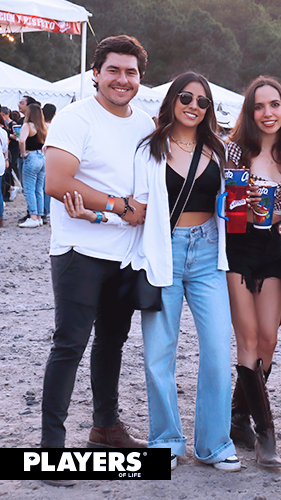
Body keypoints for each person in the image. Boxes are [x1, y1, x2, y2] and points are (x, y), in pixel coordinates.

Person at [41, 35, 153, 464]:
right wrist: (119, 206)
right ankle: (51, 449)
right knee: (69, 344)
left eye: (131, 72)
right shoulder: (75, 118)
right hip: (79, 251)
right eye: (114, 70)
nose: (122, 80)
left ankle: (105, 427)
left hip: (126, 254)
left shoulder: (145, 124)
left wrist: (118, 213)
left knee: (112, 342)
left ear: (140, 78)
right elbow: (57, 182)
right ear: (96, 73)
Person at [127, 72, 239, 472]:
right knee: (159, 353)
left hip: (208, 253)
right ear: (173, 99)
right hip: (165, 252)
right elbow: (139, 206)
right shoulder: (150, 148)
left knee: (217, 350)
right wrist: (97, 211)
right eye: (187, 98)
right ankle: (166, 441)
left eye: (202, 101)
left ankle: (214, 443)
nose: (194, 106)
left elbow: (229, 204)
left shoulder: (218, 150)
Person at [226, 76, 281, 468]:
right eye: (259, 106)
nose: (267, 113)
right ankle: (265, 434)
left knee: (269, 339)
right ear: (249, 112)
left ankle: (238, 417)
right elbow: (220, 202)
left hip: (272, 248)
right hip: (237, 248)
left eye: (274, 105)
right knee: (249, 337)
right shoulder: (234, 150)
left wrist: (280, 221)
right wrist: (238, 200)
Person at [18, 103, 47, 228]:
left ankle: (33, 217)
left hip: (31, 157)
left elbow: (21, 140)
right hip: (42, 157)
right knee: (39, 189)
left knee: (29, 188)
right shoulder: (43, 126)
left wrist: (23, 153)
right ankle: (39, 217)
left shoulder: (27, 125)